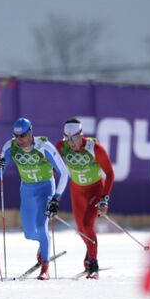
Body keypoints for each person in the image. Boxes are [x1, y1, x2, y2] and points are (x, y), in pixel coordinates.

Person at [0, 117, 68, 280]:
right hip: (26, 190)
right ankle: (43, 242)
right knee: (28, 233)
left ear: (30, 132)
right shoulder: (10, 146)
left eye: (23, 136)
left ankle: (45, 268)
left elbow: (64, 172)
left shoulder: (44, 147)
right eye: (16, 136)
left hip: (45, 188)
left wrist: (56, 198)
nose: (19, 140)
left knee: (41, 227)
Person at [55, 118, 115, 278]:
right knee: (81, 229)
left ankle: (93, 264)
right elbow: (54, 168)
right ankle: (90, 252)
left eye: (74, 138)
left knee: (88, 225)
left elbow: (110, 173)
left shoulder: (95, 148)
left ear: (81, 135)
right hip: (77, 191)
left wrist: (104, 198)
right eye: (67, 138)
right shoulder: (62, 146)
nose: (71, 142)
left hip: (95, 189)